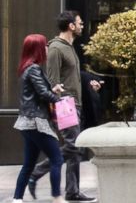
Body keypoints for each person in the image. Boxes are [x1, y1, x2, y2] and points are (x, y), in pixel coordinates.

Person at [28, 11, 99, 202]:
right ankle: (36, 172)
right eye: (80, 23)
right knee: (73, 146)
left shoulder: (70, 47)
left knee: (74, 149)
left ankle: (72, 192)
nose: (82, 25)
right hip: (64, 104)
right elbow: (52, 80)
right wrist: (58, 98)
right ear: (71, 26)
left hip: (75, 103)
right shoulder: (56, 49)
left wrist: (89, 82)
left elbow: (72, 76)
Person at [12, 34, 66, 203]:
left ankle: (17, 198)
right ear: (37, 49)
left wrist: (53, 89)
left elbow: (39, 92)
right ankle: (57, 197)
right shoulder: (34, 69)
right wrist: (60, 100)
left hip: (27, 123)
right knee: (57, 159)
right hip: (36, 121)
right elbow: (43, 93)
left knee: (29, 164)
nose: (46, 48)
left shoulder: (26, 68)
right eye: (44, 45)